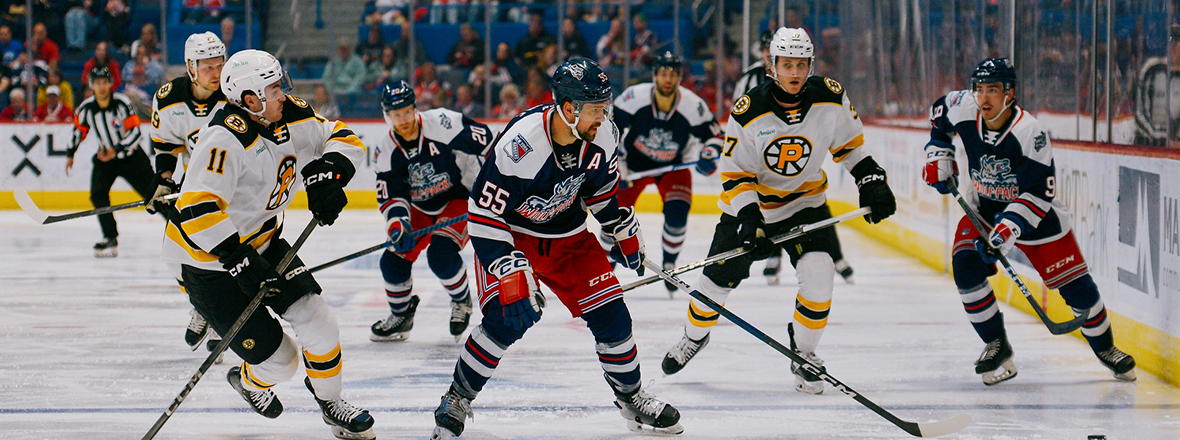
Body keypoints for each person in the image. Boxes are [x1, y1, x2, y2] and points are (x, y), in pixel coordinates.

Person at [429, 58, 682, 439]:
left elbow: (600, 194)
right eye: (596, 109)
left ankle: (631, 398)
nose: (604, 116)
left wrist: (620, 227)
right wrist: (505, 263)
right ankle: (458, 397)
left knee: (613, 318)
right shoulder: (522, 144)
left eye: (605, 107)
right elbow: (482, 212)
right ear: (569, 109)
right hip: (512, 235)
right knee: (510, 317)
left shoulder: (604, 135)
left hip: (570, 239)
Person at [659, 28, 897, 396]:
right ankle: (694, 337)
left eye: (801, 64)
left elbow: (850, 147)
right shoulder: (749, 109)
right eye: (787, 64)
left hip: (805, 206)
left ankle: (803, 353)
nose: (795, 72)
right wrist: (750, 221)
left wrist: (871, 180)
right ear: (772, 65)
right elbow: (736, 174)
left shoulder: (830, 98)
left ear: (810, 65)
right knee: (712, 288)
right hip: (751, 211)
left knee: (820, 278)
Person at [162, 49, 375, 439]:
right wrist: (239, 261)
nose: (283, 94)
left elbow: (344, 137)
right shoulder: (223, 137)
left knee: (319, 321)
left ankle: (331, 404)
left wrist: (329, 172)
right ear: (250, 100)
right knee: (282, 363)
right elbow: (197, 209)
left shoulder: (289, 114)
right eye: (274, 88)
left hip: (265, 244)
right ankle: (249, 381)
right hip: (212, 265)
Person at [923, 57, 1136, 385]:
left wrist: (1006, 230)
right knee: (965, 267)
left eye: (992, 90)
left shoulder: (1029, 132)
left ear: (1010, 93)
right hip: (983, 206)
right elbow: (939, 117)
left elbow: (1039, 193)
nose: (983, 98)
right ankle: (997, 345)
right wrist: (939, 153)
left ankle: (1106, 348)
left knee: (1078, 290)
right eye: (979, 89)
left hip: (1036, 216)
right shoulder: (962, 105)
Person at [369, 80, 493, 343]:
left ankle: (461, 302)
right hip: (421, 207)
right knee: (392, 260)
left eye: (406, 111)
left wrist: (491, 185)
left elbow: (486, 142)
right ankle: (401, 315)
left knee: (441, 252)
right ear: (386, 116)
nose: (402, 119)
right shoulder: (386, 149)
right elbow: (392, 194)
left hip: (458, 198)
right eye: (395, 114)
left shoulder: (443, 123)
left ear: (415, 108)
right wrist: (397, 225)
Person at [735, 29, 855, 286]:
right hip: (761, 151)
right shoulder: (750, 78)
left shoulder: (805, 83)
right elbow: (738, 117)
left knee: (812, 199)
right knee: (768, 204)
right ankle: (773, 258)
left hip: (792, 148)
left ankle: (836, 256)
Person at [608, 51, 723, 294]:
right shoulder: (633, 97)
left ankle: (669, 264)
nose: (667, 79)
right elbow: (609, 130)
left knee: (677, 214)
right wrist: (618, 165)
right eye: (663, 73)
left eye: (673, 74)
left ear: (680, 77)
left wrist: (709, 155)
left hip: (674, 166)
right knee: (611, 217)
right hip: (634, 166)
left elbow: (715, 136)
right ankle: (604, 267)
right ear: (654, 76)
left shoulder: (693, 105)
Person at [145, 31, 229, 351]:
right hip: (197, 188)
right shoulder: (168, 98)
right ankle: (203, 306)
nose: (216, 73)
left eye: (219, 65)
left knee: (222, 255)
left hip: (236, 187)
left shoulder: (233, 94)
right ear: (190, 67)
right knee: (173, 253)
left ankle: (221, 317)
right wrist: (164, 180)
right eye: (207, 66)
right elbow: (167, 149)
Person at [66, 66, 155, 257]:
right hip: (106, 158)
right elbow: (77, 131)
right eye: (97, 83)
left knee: (156, 196)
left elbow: (135, 132)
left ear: (110, 84)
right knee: (98, 195)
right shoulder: (86, 108)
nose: (101, 87)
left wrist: (116, 149)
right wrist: (70, 153)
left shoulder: (122, 103)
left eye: (104, 82)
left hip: (131, 157)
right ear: (91, 85)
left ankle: (181, 231)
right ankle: (110, 236)